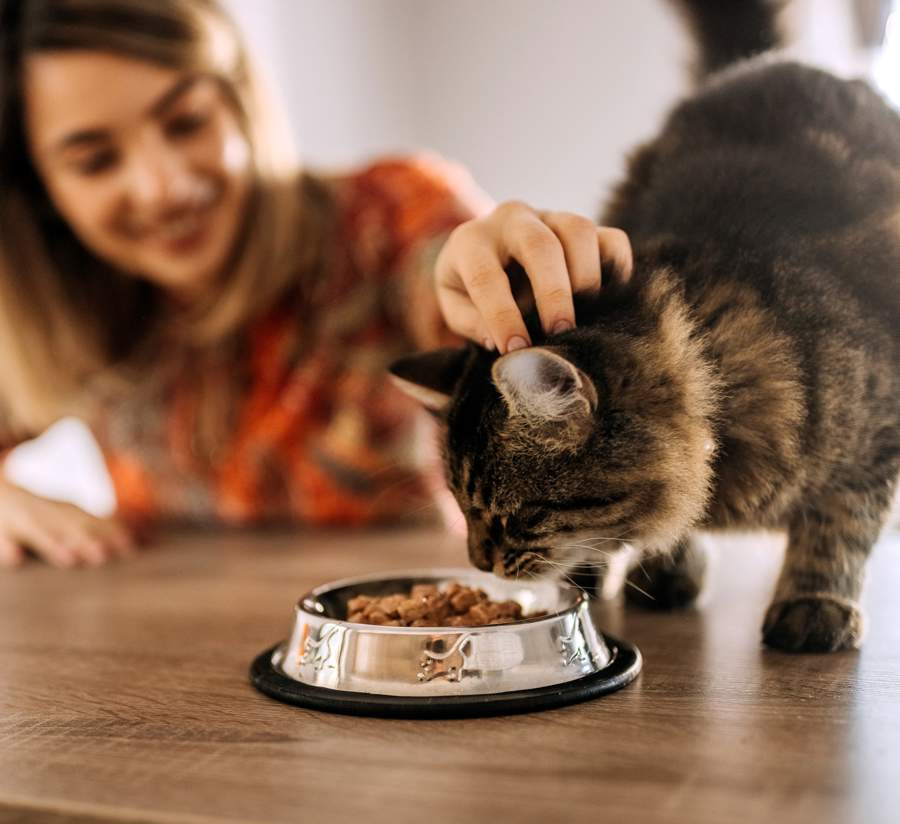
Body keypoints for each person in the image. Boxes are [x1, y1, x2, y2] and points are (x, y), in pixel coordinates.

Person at [0, 0, 632, 569]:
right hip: (166, 681)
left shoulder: (385, 220)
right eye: (95, 160)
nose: (160, 187)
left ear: (239, 100)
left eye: (187, 121)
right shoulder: (64, 305)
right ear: (41, 192)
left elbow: (480, 309)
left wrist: (508, 284)